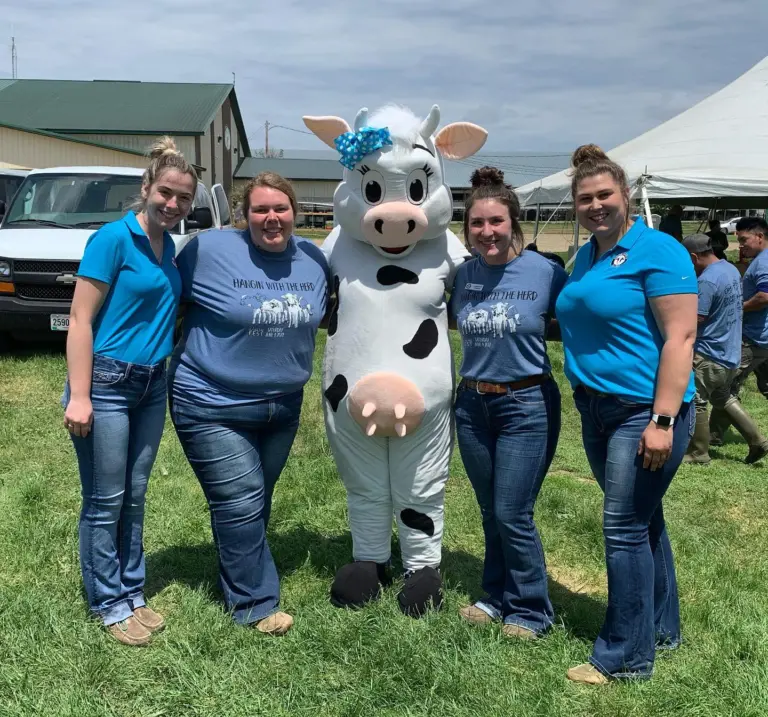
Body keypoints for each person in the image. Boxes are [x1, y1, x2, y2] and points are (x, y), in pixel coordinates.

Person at [555, 145, 697, 683]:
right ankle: (661, 628)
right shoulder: (589, 254)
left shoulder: (658, 249)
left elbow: (681, 338)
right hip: (597, 408)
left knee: (621, 528)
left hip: (643, 411)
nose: (595, 205)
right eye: (585, 198)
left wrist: (662, 421)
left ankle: (625, 657)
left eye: (604, 195)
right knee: (642, 521)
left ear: (626, 195)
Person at [168, 172, 328, 635]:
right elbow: (160, 296)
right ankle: (254, 603)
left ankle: (239, 569)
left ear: (295, 212)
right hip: (210, 400)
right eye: (260, 209)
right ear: (244, 215)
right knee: (240, 500)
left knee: (252, 500)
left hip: (283, 406)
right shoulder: (206, 251)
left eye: (280, 208)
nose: (271, 218)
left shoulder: (314, 259)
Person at [62, 137, 197, 645]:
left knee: (134, 496)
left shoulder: (170, 249)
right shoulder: (112, 239)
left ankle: (132, 590)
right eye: (166, 193)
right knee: (105, 498)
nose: (173, 204)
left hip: (151, 383)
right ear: (146, 188)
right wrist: (80, 395)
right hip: (108, 383)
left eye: (183, 199)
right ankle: (107, 602)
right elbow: (79, 319)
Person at [450, 167, 566, 639]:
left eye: (496, 222)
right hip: (472, 405)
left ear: (513, 222)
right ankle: (495, 596)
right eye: (477, 224)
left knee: (513, 512)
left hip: (526, 404)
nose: (487, 232)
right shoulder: (463, 276)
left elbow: (582, 317)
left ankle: (532, 609)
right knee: (488, 509)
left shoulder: (546, 272)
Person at [679, 234, 743, 464]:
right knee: (724, 397)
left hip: (709, 351)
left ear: (694, 258)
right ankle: (758, 441)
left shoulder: (706, 281)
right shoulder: (730, 269)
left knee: (696, 399)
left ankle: (698, 452)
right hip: (730, 348)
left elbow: (696, 317)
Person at [709, 216, 768, 462]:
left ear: (760, 237)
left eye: (744, 240)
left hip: (753, 339)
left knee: (723, 388)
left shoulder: (763, 262)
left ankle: (756, 441)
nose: (740, 245)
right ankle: (714, 434)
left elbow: (765, 296)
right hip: (762, 338)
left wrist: (737, 307)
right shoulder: (759, 260)